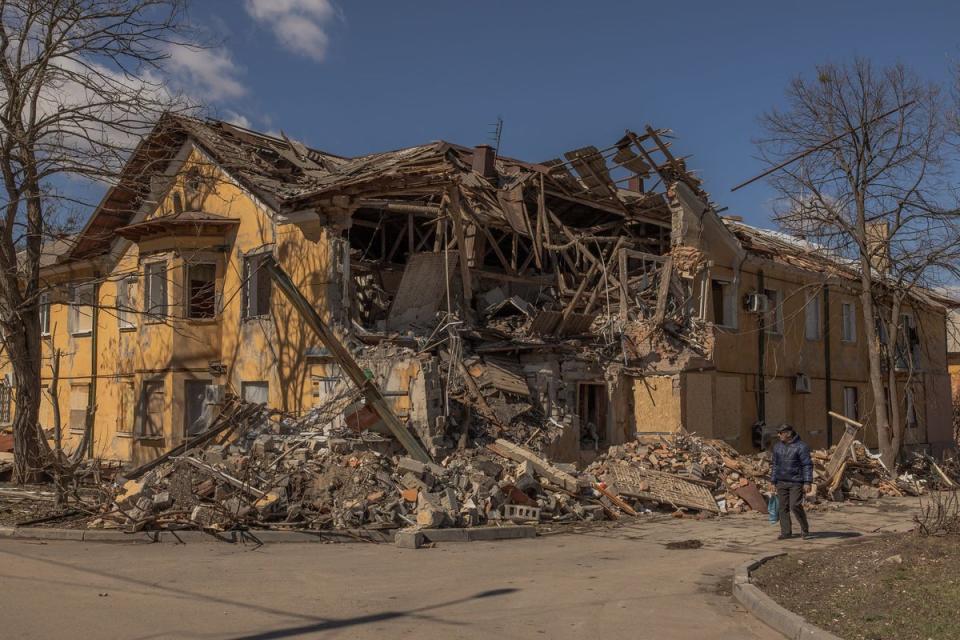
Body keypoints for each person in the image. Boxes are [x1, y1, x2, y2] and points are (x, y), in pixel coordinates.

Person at [770, 424, 813, 540]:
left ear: (788, 433)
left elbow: (807, 465)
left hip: (796, 481)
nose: (778, 435)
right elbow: (774, 465)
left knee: (794, 505)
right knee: (782, 507)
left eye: (780, 433)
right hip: (781, 481)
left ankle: (805, 529)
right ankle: (786, 532)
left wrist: (807, 482)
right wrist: (773, 481)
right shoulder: (777, 447)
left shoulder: (801, 447)